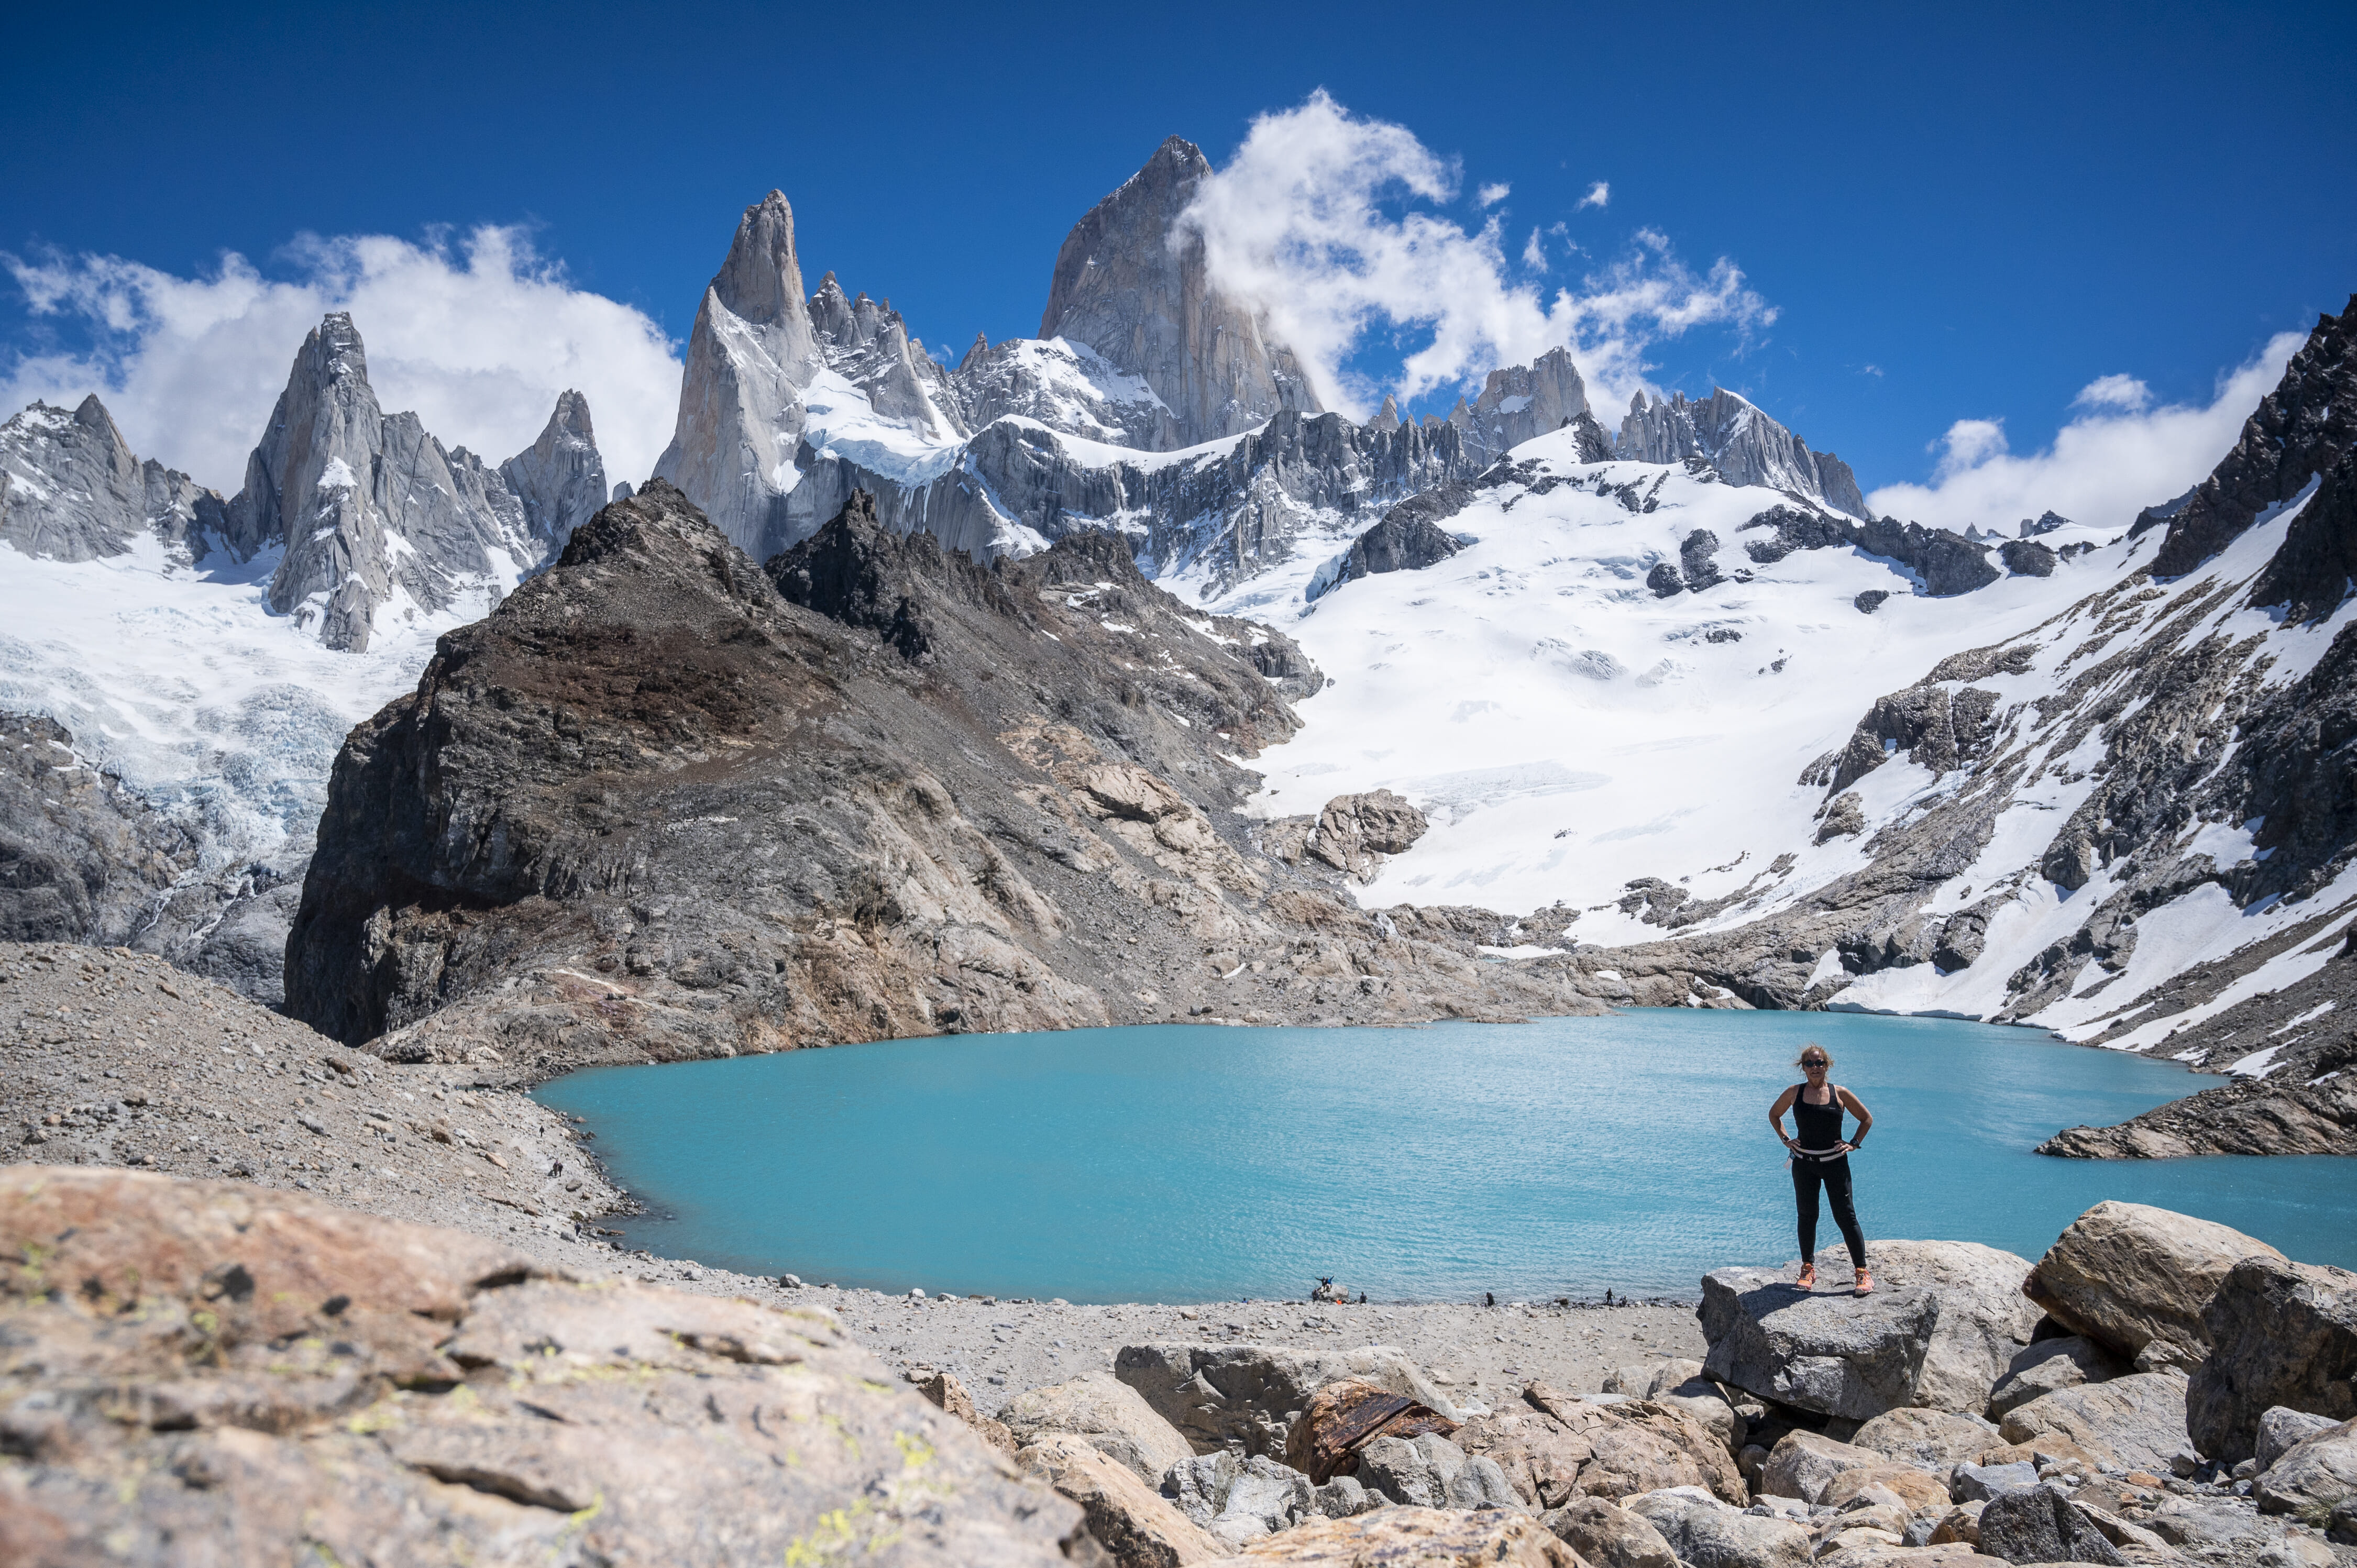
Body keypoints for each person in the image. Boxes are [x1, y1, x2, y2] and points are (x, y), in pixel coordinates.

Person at [1767, 1045, 1874, 1293]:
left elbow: (1866, 1118)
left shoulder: (1841, 1094)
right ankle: (1808, 1268)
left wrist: (1854, 1144)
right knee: (1807, 1216)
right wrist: (1786, 1139)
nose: (1815, 1068)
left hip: (1835, 1163)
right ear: (1802, 1067)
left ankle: (1862, 1272)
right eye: (1810, 1064)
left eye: (1820, 1063)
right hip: (1804, 1165)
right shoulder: (1794, 1093)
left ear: (1828, 1065)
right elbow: (1774, 1115)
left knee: (1846, 1216)